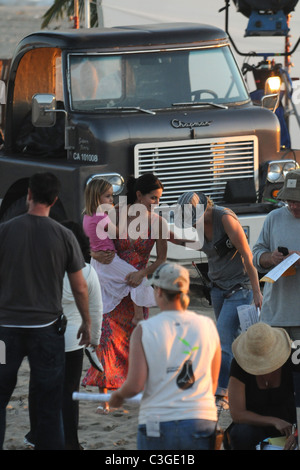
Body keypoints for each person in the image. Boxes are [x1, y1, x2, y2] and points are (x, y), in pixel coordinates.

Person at [0, 172, 91, 450]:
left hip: (5, 332)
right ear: (54, 199)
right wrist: (87, 322)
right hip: (46, 331)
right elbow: (80, 288)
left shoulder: (4, 230)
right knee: (50, 403)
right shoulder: (64, 235)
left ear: (28, 194)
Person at [109, 262, 221, 450]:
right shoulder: (208, 325)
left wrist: (118, 396)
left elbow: (135, 385)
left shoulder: (144, 330)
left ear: (159, 291)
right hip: (200, 420)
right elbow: (213, 382)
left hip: (158, 422)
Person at [82, 173, 168, 392]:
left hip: (137, 288)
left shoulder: (159, 222)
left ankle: (133, 386)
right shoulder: (114, 213)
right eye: (153, 198)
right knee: (107, 337)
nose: (157, 203)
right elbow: (96, 237)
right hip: (112, 284)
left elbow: (161, 259)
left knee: (135, 341)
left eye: (159, 199)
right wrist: (93, 252)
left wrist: (142, 274)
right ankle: (104, 392)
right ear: (139, 195)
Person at [176, 191, 263, 407]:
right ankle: (240, 386)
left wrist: (257, 291)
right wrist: (159, 232)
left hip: (239, 287)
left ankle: (222, 392)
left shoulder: (225, 218)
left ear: (206, 207)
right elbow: (191, 244)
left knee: (222, 340)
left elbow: (247, 255)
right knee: (231, 341)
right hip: (216, 287)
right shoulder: (196, 226)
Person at [24, 221, 103, 450]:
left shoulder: (39, 269)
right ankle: (70, 442)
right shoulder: (88, 272)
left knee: (39, 387)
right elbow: (96, 310)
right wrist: (94, 340)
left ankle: (36, 436)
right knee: (69, 393)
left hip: (41, 337)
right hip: (74, 341)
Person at [83, 178, 156, 325]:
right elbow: (118, 233)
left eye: (112, 195)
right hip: (110, 260)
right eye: (108, 196)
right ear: (97, 197)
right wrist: (123, 218)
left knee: (106, 290)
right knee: (137, 279)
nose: (112, 199)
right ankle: (138, 316)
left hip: (97, 261)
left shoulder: (86, 216)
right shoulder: (101, 217)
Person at [227, 322, 297, 450]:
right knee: (241, 434)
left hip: (290, 425)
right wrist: (274, 421)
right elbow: (237, 414)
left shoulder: (293, 358)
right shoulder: (239, 365)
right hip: (253, 425)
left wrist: (297, 432)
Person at [252, 169, 300, 342]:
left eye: (297, 201)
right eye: (289, 201)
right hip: (273, 317)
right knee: (273, 369)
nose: (293, 206)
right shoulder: (274, 218)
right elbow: (256, 254)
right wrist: (271, 258)